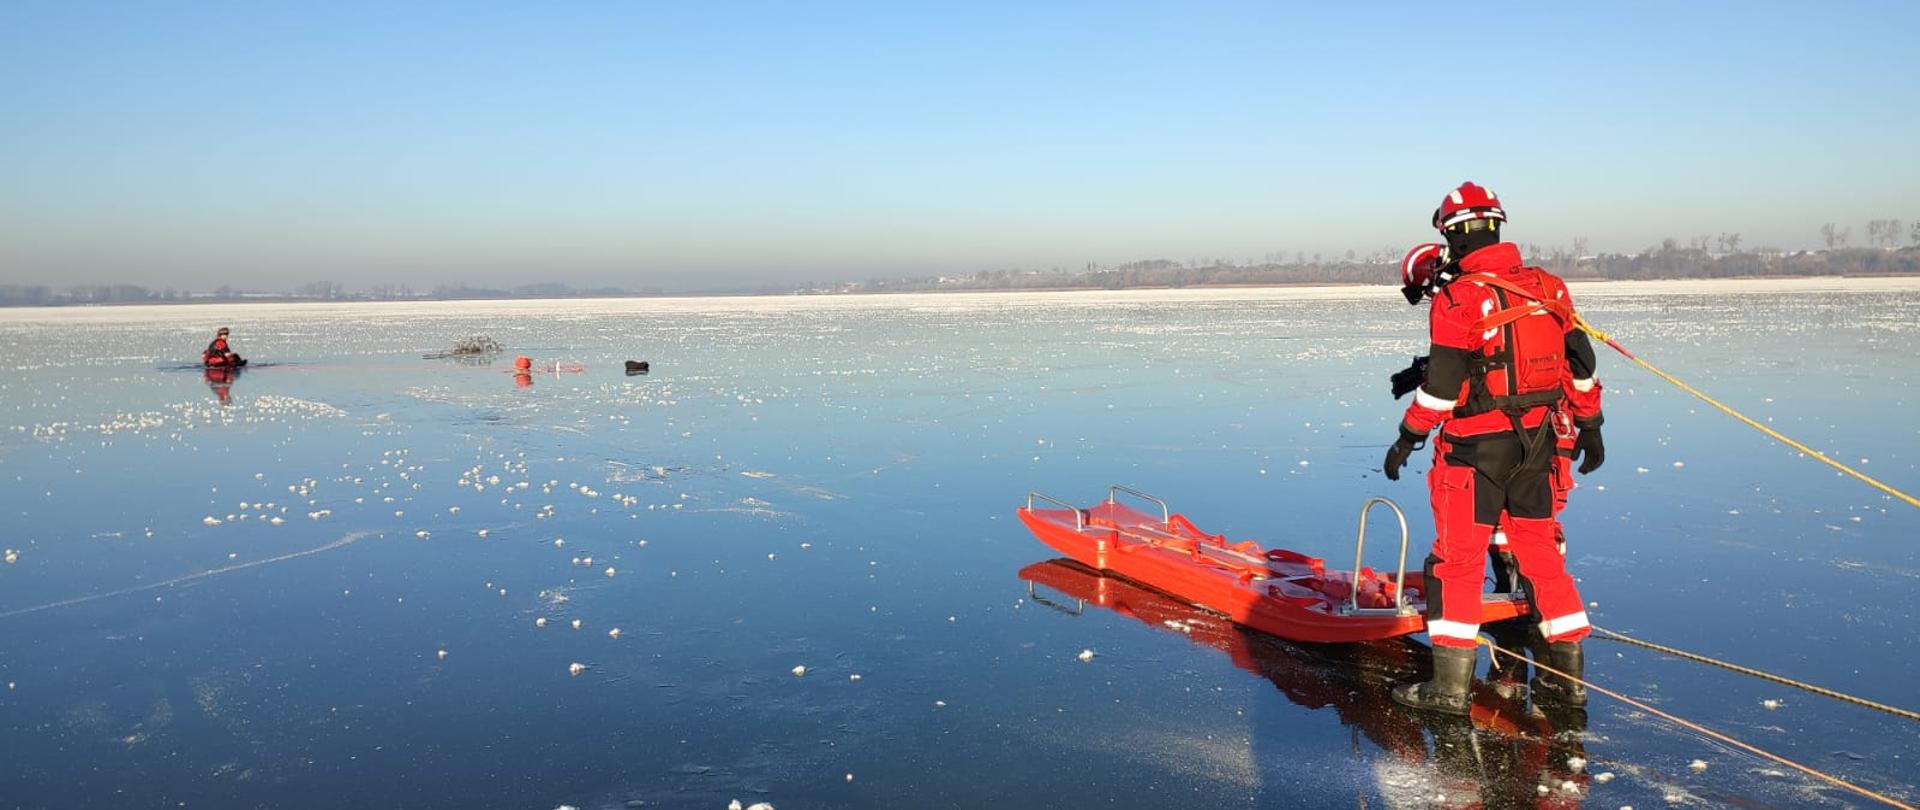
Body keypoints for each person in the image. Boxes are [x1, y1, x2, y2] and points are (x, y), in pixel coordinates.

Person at [1382, 182, 1605, 714]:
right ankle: (1565, 682)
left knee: (1455, 564)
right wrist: (1592, 425)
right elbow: (1581, 365)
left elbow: (1440, 388)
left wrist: (1407, 437)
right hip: (1541, 449)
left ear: (1452, 235)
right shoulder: (1548, 288)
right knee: (1541, 558)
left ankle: (1450, 690)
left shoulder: (1458, 299)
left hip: (1474, 454)